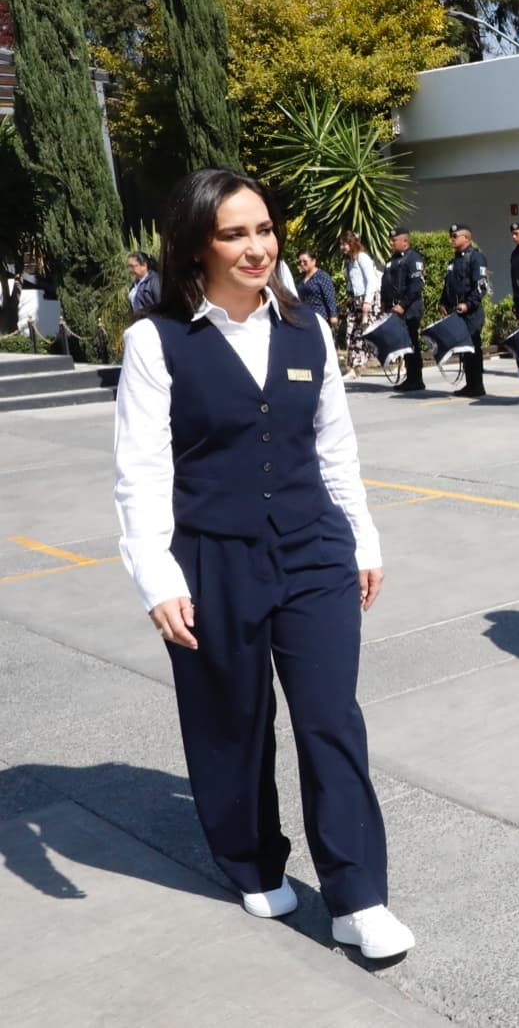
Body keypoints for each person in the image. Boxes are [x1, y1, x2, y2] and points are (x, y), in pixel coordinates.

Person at [112, 167, 413, 959]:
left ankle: (357, 896)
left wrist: (364, 539)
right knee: (234, 722)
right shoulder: (157, 341)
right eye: (234, 233)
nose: (257, 247)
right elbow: (140, 473)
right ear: (197, 245)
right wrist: (158, 577)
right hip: (213, 558)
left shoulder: (307, 327)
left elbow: (336, 447)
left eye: (264, 229)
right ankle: (249, 858)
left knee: (329, 719)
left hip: (313, 549)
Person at [441, 223, 489, 398]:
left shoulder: (476, 258)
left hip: (471, 313)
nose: (451, 240)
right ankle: (470, 384)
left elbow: (481, 286)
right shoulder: (454, 261)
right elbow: (448, 286)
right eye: (451, 236)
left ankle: (477, 386)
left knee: (473, 349)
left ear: (466, 238)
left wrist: (468, 304)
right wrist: (443, 302)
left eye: (455, 236)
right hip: (457, 312)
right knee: (464, 349)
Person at [380, 227, 426, 393]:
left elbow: (416, 286)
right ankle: (410, 378)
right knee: (403, 345)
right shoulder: (392, 260)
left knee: (411, 344)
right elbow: (385, 283)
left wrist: (403, 305)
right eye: (390, 240)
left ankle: (416, 379)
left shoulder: (413, 258)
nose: (391, 243)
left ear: (405, 241)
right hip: (395, 310)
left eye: (394, 240)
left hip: (409, 309)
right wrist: (385, 304)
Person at [339, 231, 381, 381]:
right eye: (341, 244)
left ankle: (400, 361)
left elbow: (371, 281)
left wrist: (367, 302)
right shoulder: (349, 262)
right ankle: (354, 369)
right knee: (351, 333)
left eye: (344, 244)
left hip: (368, 300)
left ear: (352, 244)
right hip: (355, 301)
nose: (342, 247)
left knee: (372, 334)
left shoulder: (362, 258)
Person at [295, 250, 337, 327]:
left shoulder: (322, 276)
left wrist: (333, 315)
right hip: (305, 317)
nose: (302, 264)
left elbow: (330, 297)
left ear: (313, 261)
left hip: (320, 316)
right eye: (300, 262)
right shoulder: (301, 278)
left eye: (305, 261)